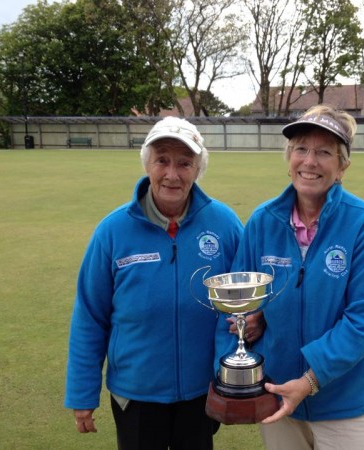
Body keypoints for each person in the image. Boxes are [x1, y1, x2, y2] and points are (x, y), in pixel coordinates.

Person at [221, 105, 364, 449]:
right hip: (280, 397)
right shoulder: (262, 221)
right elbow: (241, 299)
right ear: (288, 158)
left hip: (349, 404)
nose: (310, 161)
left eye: (324, 152)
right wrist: (252, 319)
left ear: (342, 166)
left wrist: (310, 380)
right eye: (301, 149)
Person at [64, 117, 245, 449]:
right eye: (162, 160)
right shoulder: (112, 231)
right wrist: (82, 392)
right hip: (136, 393)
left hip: (200, 392)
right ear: (148, 162)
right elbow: (90, 316)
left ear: (198, 169)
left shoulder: (225, 224)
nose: (172, 174)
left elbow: (243, 309)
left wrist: (233, 379)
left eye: (184, 163)